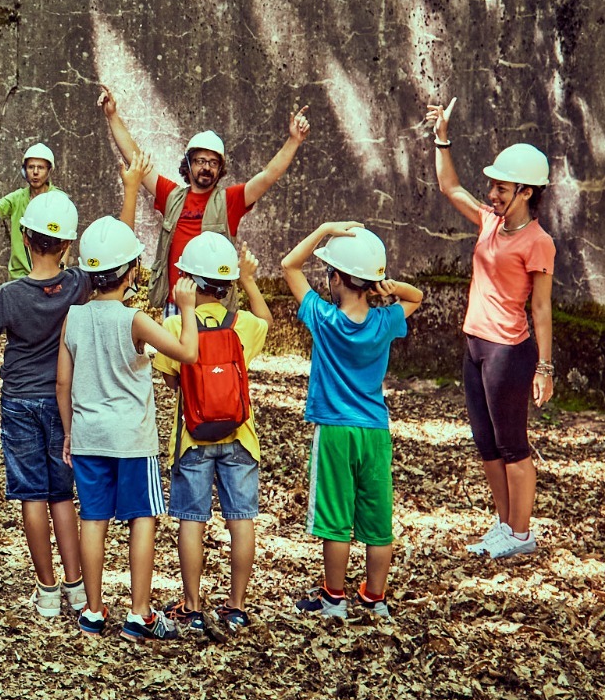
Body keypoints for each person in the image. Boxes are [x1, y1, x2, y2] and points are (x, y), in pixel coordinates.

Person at [57, 216, 199, 643]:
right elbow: (188, 353)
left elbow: (63, 382)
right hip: (132, 441)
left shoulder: (74, 317)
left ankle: (94, 612)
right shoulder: (135, 320)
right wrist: (187, 308)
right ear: (131, 272)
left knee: (93, 518)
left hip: (87, 436)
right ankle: (139, 613)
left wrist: (68, 433)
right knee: (142, 518)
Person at [427, 102, 555, 560]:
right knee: (487, 444)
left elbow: (541, 309)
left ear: (524, 191)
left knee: (513, 445)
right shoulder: (490, 222)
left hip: (508, 352)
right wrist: (442, 138)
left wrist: (545, 366)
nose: (493, 193)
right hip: (475, 345)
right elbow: (450, 186)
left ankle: (522, 533)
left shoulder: (538, 242)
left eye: (501, 187)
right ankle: (504, 526)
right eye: (493, 187)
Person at [281, 223, 422, 621]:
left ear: (337, 278)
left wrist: (324, 229)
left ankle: (334, 598)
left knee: (335, 517)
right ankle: (375, 598)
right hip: (374, 431)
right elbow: (418, 297)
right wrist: (388, 287)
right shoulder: (384, 322)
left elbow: (289, 266)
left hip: (335, 430)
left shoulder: (324, 319)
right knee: (378, 519)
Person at [0, 189, 88, 616]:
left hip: (19, 401)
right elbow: (110, 261)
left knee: (32, 495)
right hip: (63, 403)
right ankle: (77, 587)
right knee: (62, 495)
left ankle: (47, 592)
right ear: (68, 244)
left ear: (25, 239)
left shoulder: (11, 295)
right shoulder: (77, 285)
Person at [151, 235, 272, 636]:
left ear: (188, 278)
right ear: (229, 285)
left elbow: (172, 381)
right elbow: (267, 322)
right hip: (241, 437)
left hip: (192, 438)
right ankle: (236, 606)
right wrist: (252, 282)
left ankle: (192, 604)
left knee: (192, 520)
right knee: (241, 519)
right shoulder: (245, 326)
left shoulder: (173, 325)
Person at [96, 84, 311, 307]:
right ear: (188, 166)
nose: (207, 167)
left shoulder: (230, 201)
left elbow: (267, 176)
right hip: (174, 304)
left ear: (220, 169)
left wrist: (294, 140)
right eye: (200, 161)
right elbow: (137, 159)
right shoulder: (171, 196)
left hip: (214, 309)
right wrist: (112, 116)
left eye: (213, 163)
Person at [0, 142, 59, 279]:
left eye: (40, 167)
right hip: (19, 278)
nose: (35, 172)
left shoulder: (59, 200)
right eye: (31, 167)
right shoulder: (16, 198)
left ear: (49, 170)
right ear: (25, 170)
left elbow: (67, 240)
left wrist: (61, 269)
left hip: (49, 277)